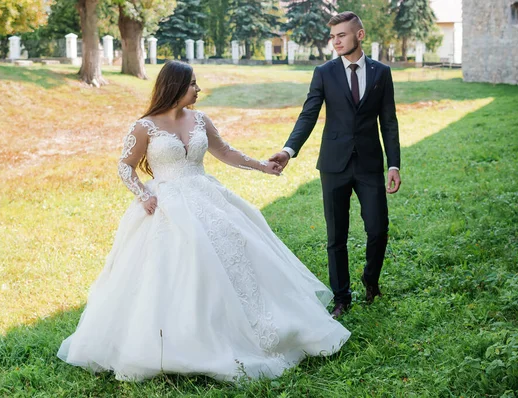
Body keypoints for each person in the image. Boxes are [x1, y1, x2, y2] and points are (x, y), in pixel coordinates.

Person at [58, 60, 350, 382]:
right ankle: (174, 342)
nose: (198, 89)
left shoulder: (200, 120)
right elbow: (125, 166)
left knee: (237, 253)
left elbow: (225, 152)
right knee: (175, 267)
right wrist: (144, 195)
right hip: (166, 203)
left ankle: (247, 327)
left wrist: (262, 166)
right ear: (175, 87)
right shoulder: (145, 126)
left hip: (206, 195)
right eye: (193, 84)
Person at [270, 12, 402, 319]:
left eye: (341, 35)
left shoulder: (381, 72)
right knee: (336, 236)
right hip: (333, 165)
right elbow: (309, 114)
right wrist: (289, 150)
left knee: (378, 229)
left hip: (369, 164)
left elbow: (389, 122)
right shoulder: (324, 72)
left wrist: (393, 165)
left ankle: (371, 280)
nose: (336, 41)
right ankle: (342, 297)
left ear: (360, 35)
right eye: (333, 37)